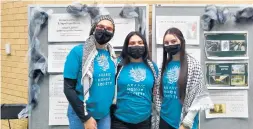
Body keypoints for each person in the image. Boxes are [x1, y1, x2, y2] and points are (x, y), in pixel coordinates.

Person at [152, 27, 213, 129]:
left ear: (182, 42)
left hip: (184, 122)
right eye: (166, 42)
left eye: (173, 41)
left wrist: (187, 121)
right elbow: (159, 92)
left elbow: (199, 96)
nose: (170, 44)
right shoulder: (163, 65)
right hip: (164, 119)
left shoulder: (193, 65)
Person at [63, 15, 117, 129]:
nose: (104, 30)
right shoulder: (78, 52)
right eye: (101, 26)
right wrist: (85, 117)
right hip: (81, 115)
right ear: (93, 29)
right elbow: (68, 88)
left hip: (104, 115)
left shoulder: (112, 55)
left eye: (109, 28)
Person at [111, 31, 159, 129]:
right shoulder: (117, 65)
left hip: (144, 120)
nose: (136, 45)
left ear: (145, 45)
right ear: (126, 46)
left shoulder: (152, 67)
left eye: (140, 43)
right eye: (132, 43)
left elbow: (156, 92)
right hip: (120, 120)